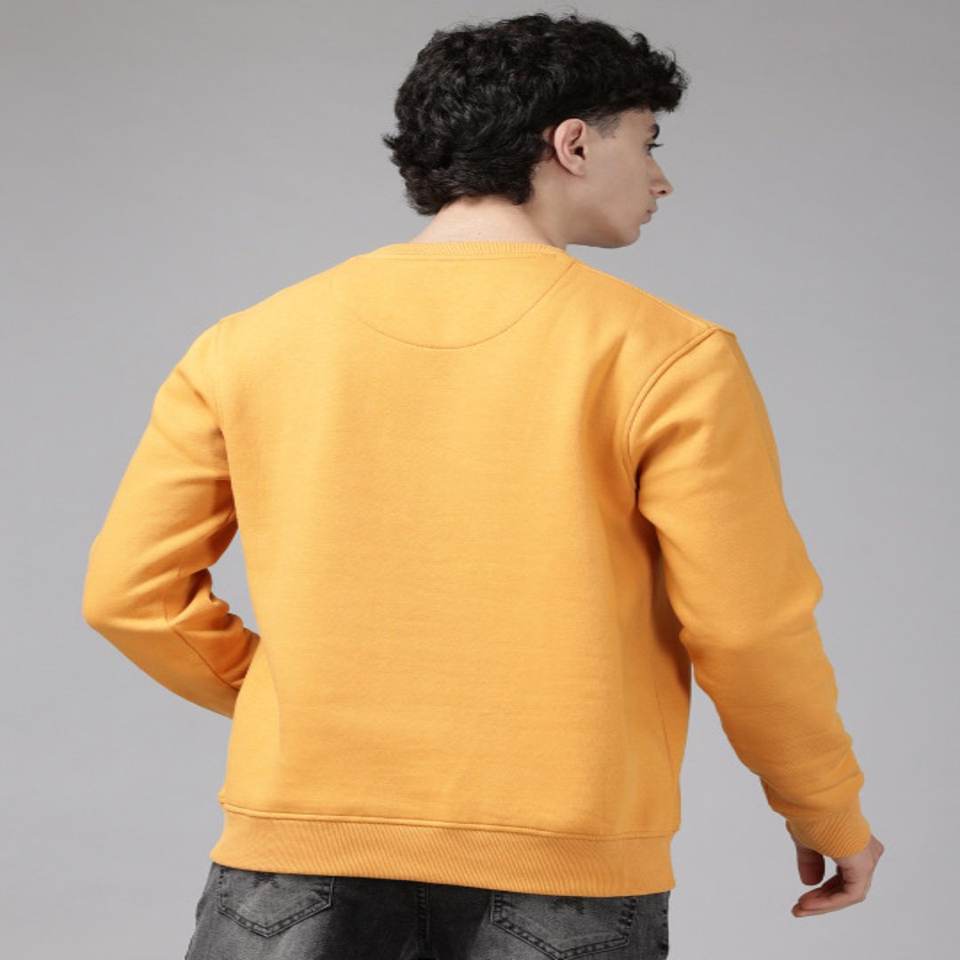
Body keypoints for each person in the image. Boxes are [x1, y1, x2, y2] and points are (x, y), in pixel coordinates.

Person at [81, 11, 884, 959]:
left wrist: (294, 701)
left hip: (297, 849)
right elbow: (748, 625)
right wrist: (824, 808)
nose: (661, 178)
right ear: (573, 144)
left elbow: (129, 595)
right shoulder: (670, 356)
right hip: (561, 863)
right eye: (648, 143)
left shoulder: (246, 344)